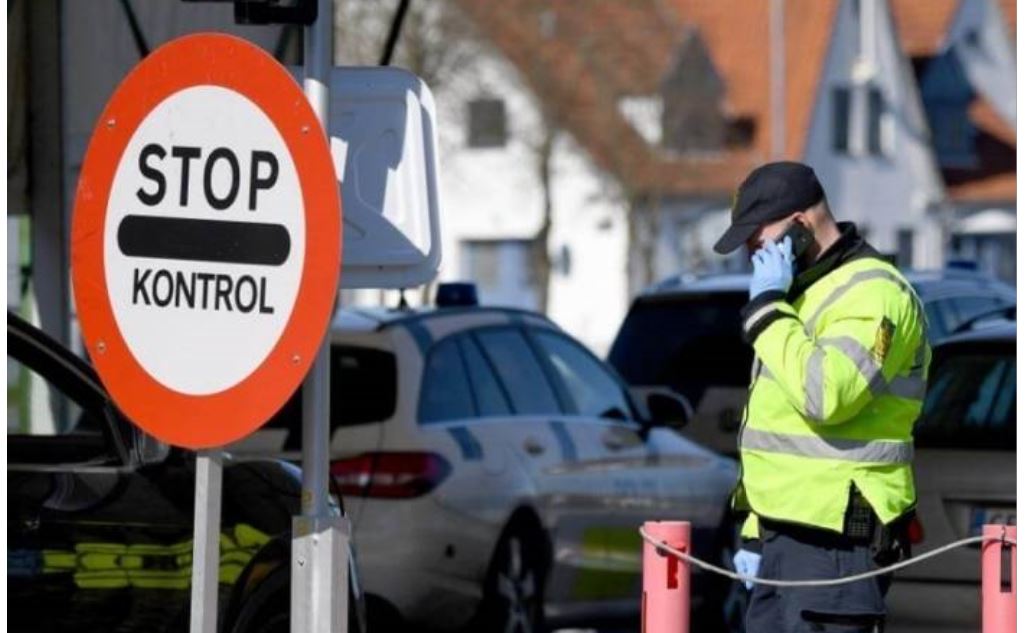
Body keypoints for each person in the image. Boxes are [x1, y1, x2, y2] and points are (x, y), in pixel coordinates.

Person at [714, 162, 929, 632]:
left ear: (800, 224)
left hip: (838, 539)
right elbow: (779, 434)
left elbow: (828, 395)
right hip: (784, 537)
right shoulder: (802, 295)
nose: (753, 250)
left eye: (758, 236)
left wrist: (768, 312)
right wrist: (756, 533)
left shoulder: (874, 294)